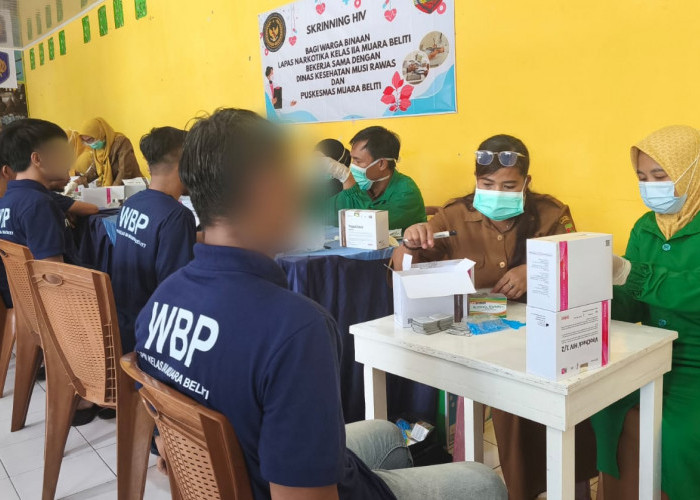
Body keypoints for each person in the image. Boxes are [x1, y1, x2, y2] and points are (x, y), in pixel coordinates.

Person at [134, 108, 507, 500]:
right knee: (481, 481)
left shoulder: (160, 301)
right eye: (291, 176)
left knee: (384, 433)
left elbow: (165, 448)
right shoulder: (295, 328)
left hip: (242, 466)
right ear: (264, 188)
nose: (302, 191)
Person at [392, 134, 595, 500]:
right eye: (487, 184)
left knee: (551, 412)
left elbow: (578, 264)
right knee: (507, 409)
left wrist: (536, 270)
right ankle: (516, 489)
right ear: (476, 180)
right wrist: (409, 242)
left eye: (509, 186)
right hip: (477, 337)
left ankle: (568, 485)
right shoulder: (454, 215)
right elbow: (406, 269)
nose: (497, 193)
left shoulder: (551, 213)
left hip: (541, 333)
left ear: (527, 183)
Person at [591, 125, 700, 500]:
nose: (650, 186)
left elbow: (693, 288)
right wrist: (595, 297)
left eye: (660, 175)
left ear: (691, 172)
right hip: (651, 355)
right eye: (642, 177)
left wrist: (628, 272)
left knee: (679, 435)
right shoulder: (645, 226)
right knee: (603, 409)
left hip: (694, 364)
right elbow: (632, 303)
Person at [111, 126, 195, 355]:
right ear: (186, 165)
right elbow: (177, 290)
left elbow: (151, 239)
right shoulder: (177, 216)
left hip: (122, 323)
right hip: (152, 333)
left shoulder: (132, 203)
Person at [324, 126, 427, 232]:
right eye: (352, 160)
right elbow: (325, 214)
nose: (352, 167)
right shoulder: (362, 186)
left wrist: (347, 180)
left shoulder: (407, 191)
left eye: (358, 161)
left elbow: (365, 224)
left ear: (381, 164)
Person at [73, 117, 141, 186]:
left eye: (90, 140)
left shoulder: (121, 142)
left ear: (100, 134)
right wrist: (81, 180)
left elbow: (125, 170)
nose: (90, 144)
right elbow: (95, 168)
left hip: (131, 186)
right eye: (86, 141)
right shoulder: (98, 149)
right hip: (115, 188)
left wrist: (113, 189)